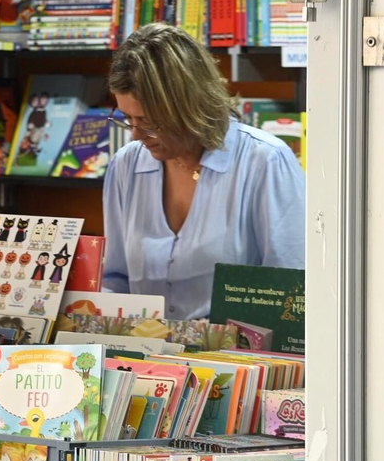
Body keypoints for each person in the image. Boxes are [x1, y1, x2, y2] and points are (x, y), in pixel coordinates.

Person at [101, 23, 306, 318]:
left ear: (189, 107)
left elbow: (292, 291)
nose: (136, 135)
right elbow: (115, 279)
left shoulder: (266, 161)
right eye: (127, 119)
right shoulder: (125, 165)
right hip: (144, 345)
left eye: (149, 121)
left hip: (238, 346)